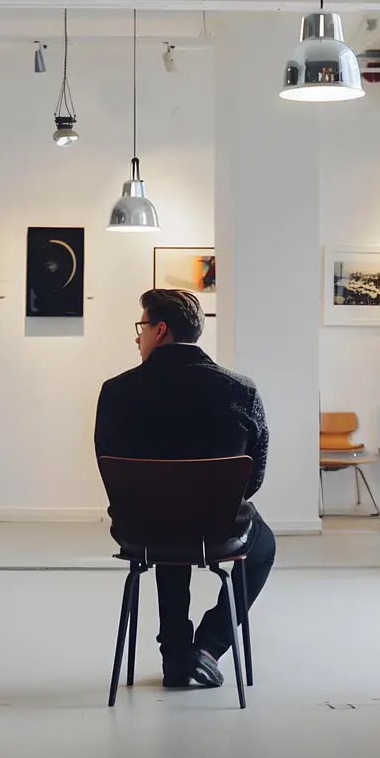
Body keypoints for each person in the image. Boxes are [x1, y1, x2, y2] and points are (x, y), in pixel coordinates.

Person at [94, 289, 275, 689]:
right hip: (217, 529)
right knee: (262, 545)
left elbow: (109, 469)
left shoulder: (116, 391)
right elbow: (255, 478)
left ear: (160, 331)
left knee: (164, 527)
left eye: (140, 328)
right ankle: (208, 648)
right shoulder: (240, 390)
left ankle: (176, 656)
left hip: (142, 529)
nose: (137, 338)